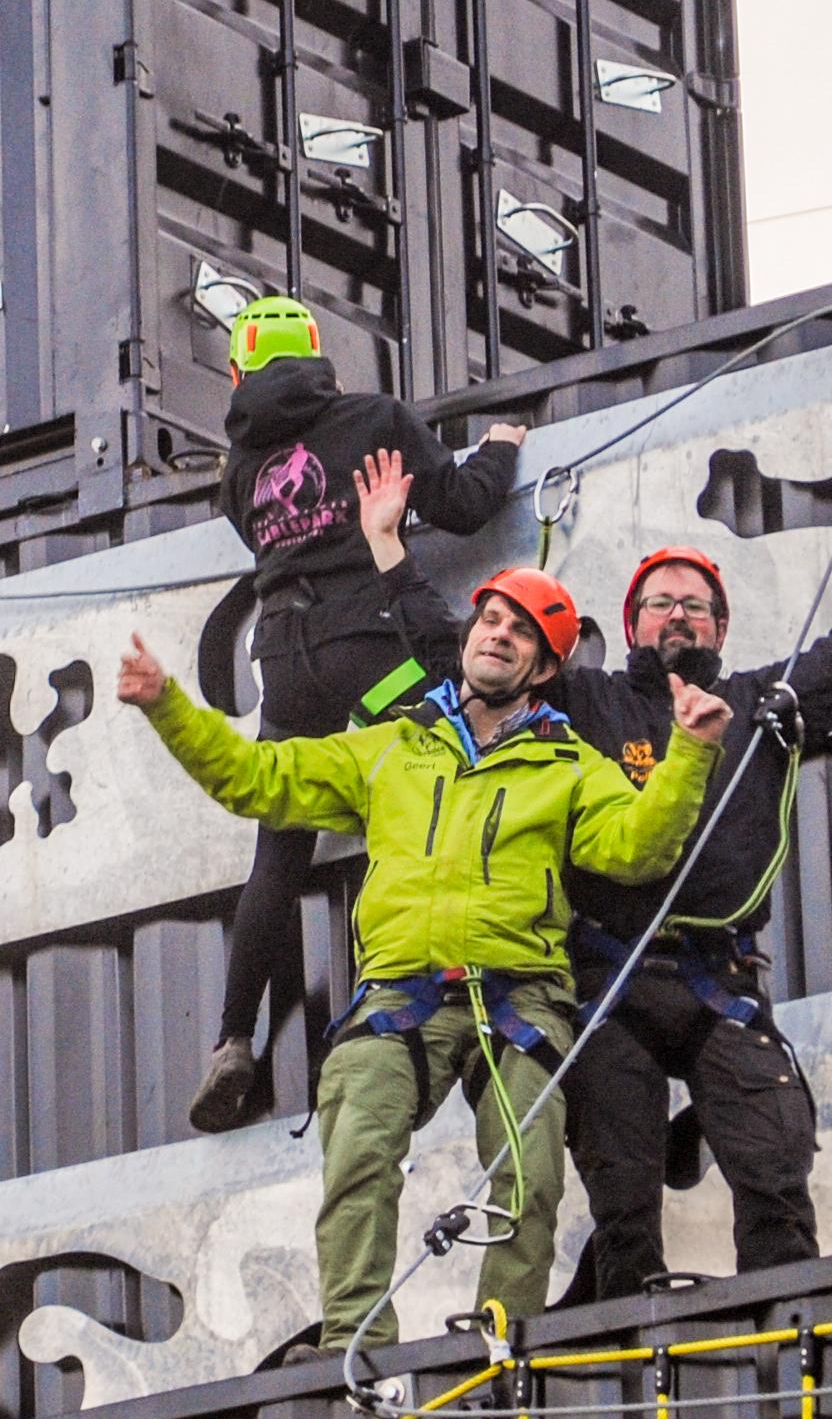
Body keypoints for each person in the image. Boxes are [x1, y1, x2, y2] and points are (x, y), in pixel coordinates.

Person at [354, 418, 832, 1301]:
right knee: (623, 1200)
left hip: (724, 981)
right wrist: (388, 549)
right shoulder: (581, 705)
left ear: (722, 624)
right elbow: (464, 654)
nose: (677, 614)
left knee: (774, 1172)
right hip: (609, 985)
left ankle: (788, 1330)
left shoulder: (766, 708)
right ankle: (629, 1347)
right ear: (632, 623)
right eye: (659, 603)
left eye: (695, 604)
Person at [118, 573, 725, 1345]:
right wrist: (167, 705)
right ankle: (355, 1345)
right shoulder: (392, 749)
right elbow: (255, 781)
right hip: (400, 996)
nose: (497, 634)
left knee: (530, 1175)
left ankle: (504, 1343)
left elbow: (638, 849)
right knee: (357, 1153)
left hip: (520, 1000)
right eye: (490, 620)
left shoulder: (570, 766)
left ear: (544, 667)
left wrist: (690, 753)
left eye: (521, 631)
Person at [186, 296, 523, 1133]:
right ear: (319, 355)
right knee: (437, 787)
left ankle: (232, 1041)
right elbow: (463, 505)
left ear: (236, 372)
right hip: (369, 650)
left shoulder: (238, 471)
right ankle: (444, 997)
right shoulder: (376, 420)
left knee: (278, 850)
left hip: (284, 666)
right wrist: (502, 448)